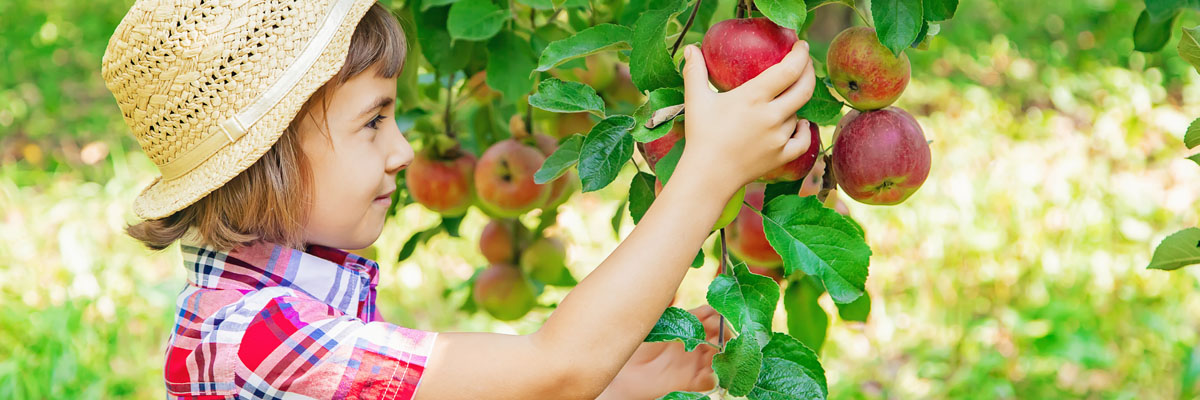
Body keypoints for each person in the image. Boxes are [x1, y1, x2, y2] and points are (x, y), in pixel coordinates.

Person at [101, 0, 815, 398]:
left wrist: (610, 381)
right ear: (272, 157)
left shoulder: (276, 302)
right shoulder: (256, 340)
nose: (403, 152)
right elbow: (554, 368)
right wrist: (710, 172)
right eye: (374, 121)